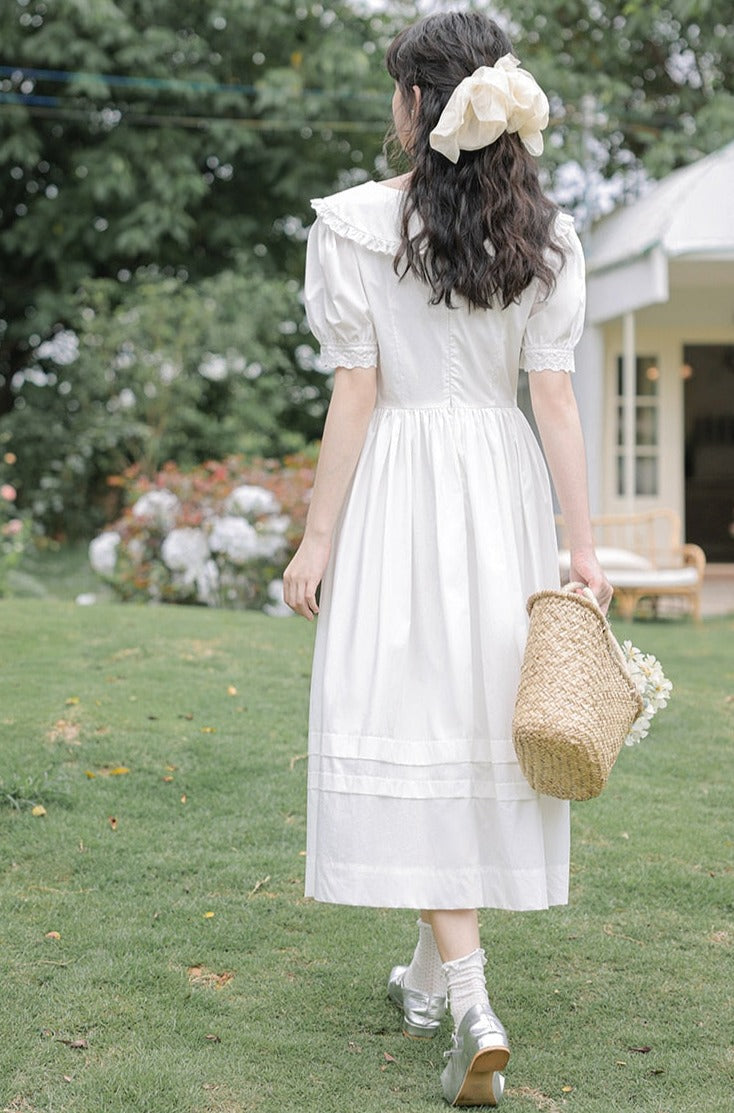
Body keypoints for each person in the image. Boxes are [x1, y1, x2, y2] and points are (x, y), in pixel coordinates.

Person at [283, 10, 612, 1108]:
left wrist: (317, 537)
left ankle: (470, 1000)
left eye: (398, 90)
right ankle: (424, 982)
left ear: (421, 104)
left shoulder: (356, 225)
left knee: (415, 711)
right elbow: (553, 398)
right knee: (467, 720)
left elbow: (358, 389)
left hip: (400, 486)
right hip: (500, 492)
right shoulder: (548, 238)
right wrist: (579, 548)